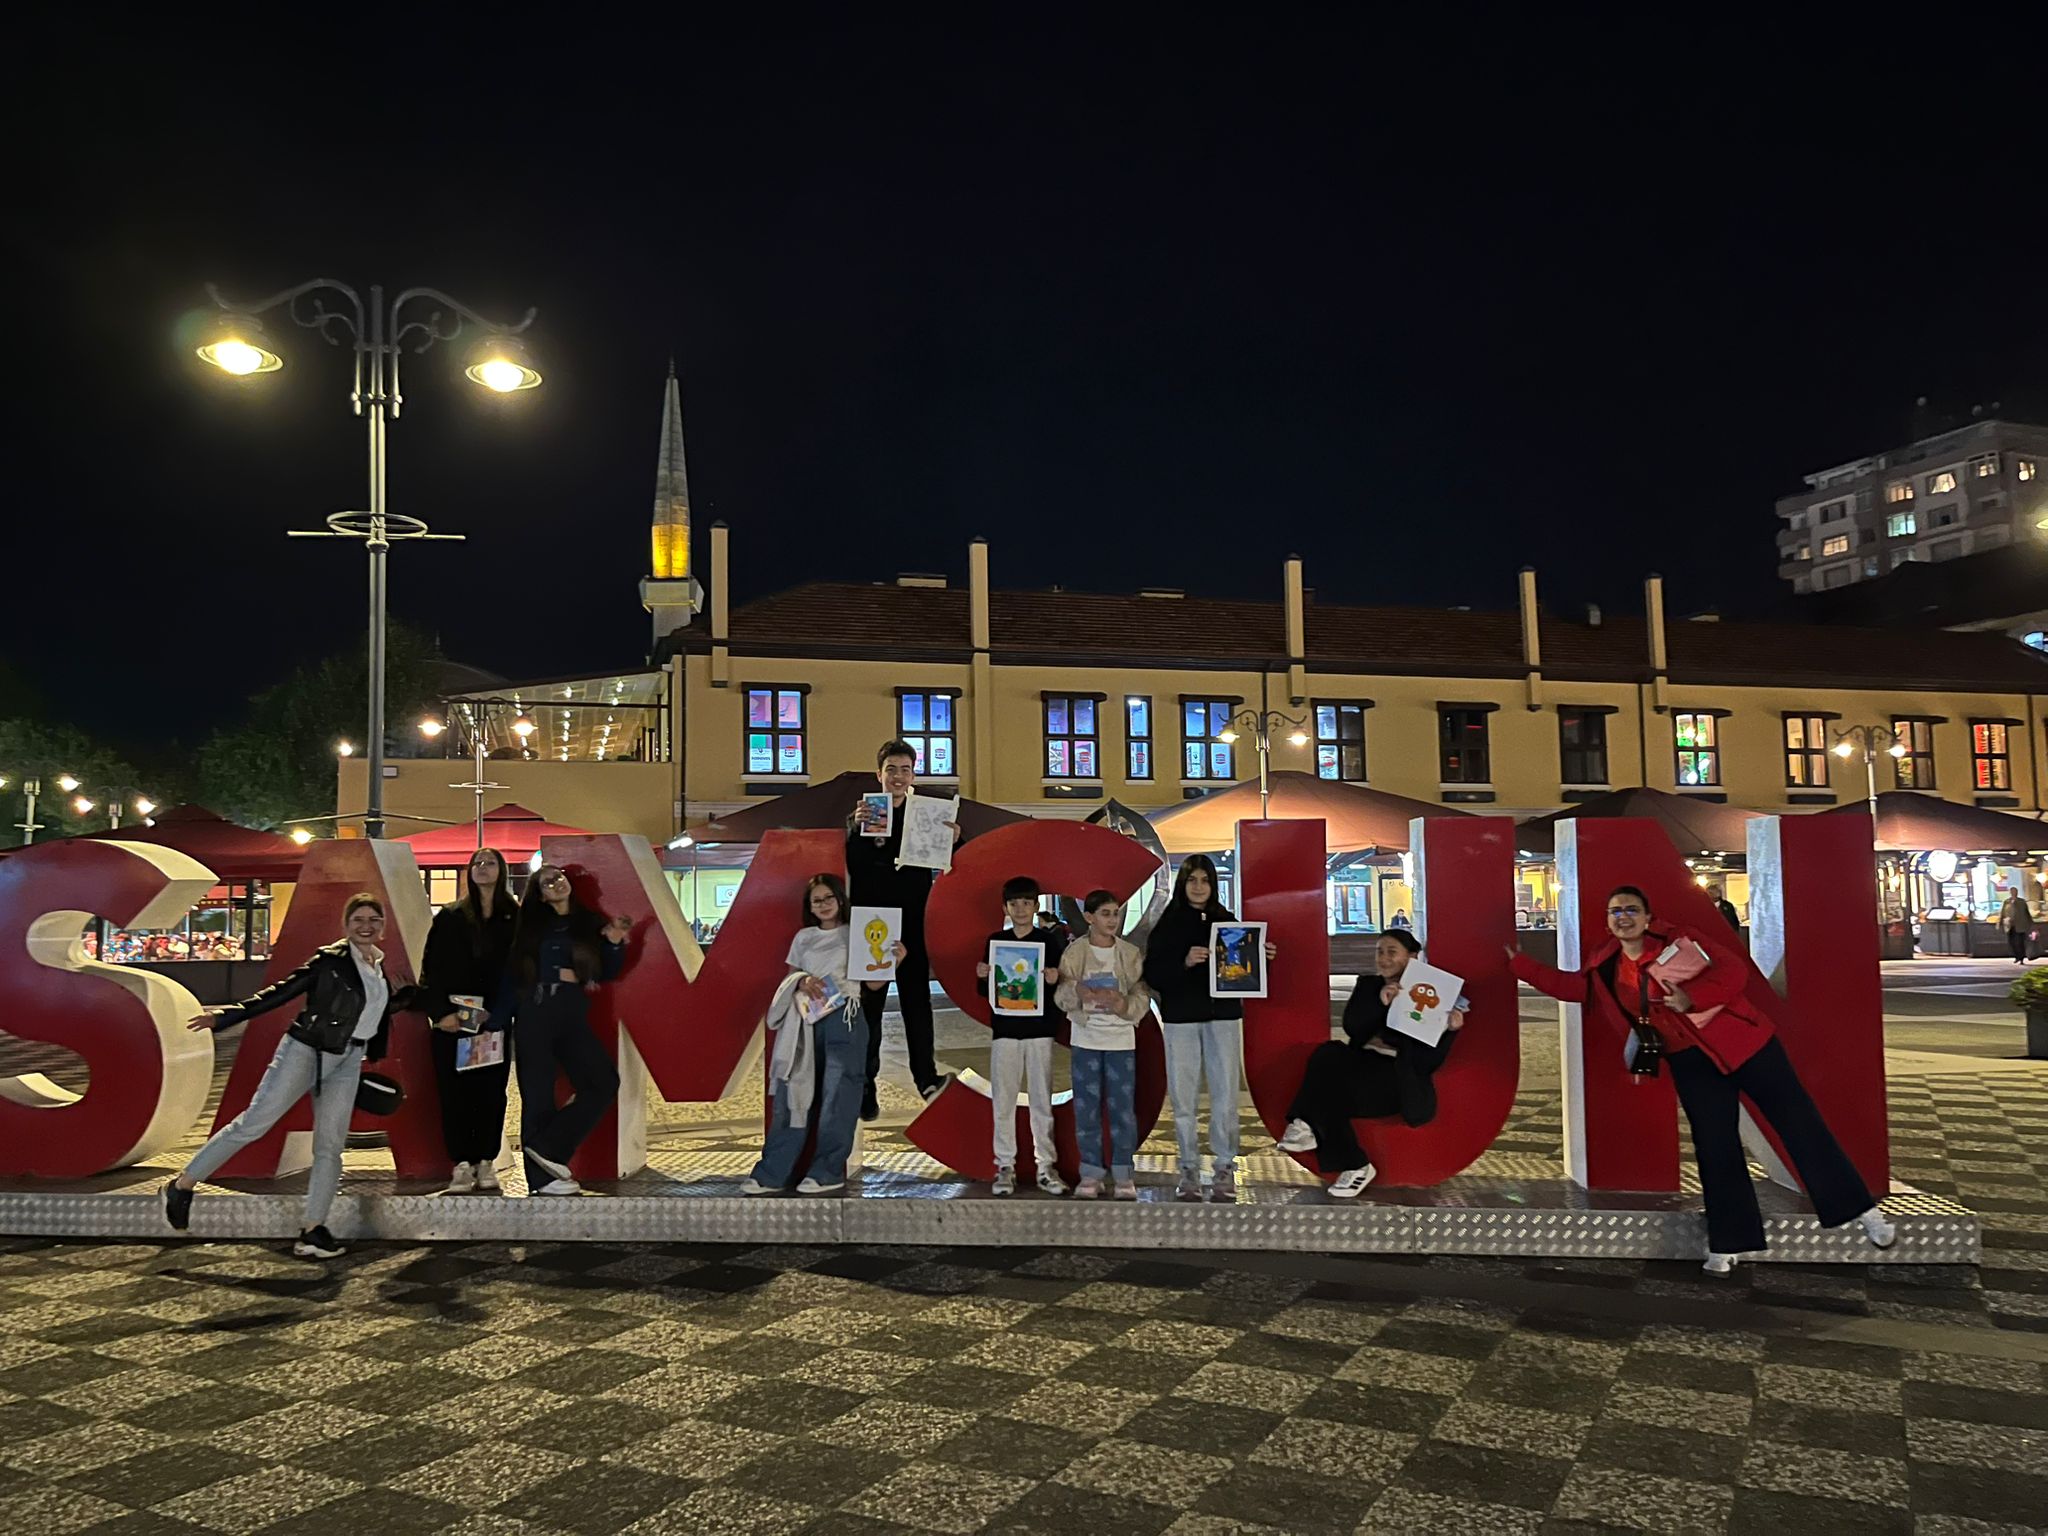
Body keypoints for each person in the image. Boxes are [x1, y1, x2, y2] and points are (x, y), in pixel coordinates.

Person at [1509, 884, 1896, 1275]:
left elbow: (1733, 972)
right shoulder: (1606, 964)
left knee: (1799, 1125)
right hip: (1691, 1062)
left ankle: (1862, 1211)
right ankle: (1729, 1242)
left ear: (1647, 916)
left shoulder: (1681, 939)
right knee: (1716, 1148)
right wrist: (1520, 965)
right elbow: (1574, 989)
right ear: (1608, 922)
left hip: (1748, 1045)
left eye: (1630, 909)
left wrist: (1691, 997)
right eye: (1615, 912)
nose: (1623, 917)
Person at [163, 893, 418, 1259]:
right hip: (306, 1052)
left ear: (383, 927)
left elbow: (364, 1012)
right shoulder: (331, 961)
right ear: (346, 926)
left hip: (348, 1059)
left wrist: (410, 1000)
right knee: (255, 1123)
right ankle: (183, 1185)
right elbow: (283, 991)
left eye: (373, 920)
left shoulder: (378, 966)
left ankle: (313, 1230)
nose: (366, 926)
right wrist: (228, 1016)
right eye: (358, 919)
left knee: (330, 1148)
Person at [1277, 929, 1464, 1198]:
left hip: (1395, 1080)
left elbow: (1427, 1063)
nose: (1384, 959)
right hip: (1359, 1067)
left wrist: (1450, 1032)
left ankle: (1307, 1124)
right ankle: (1352, 1162)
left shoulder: (1434, 998)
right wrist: (1380, 1002)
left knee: (1326, 1098)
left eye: (1392, 952)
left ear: (1412, 957)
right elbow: (1353, 1027)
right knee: (1328, 1054)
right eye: (1379, 951)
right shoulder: (1369, 986)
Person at [1143, 854, 1277, 1202]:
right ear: (1182, 884)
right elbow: (1153, 974)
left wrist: (1260, 956)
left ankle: (1224, 1167)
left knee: (1226, 1094)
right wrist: (1183, 962)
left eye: (1204, 880)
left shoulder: (1227, 921)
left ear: (1213, 884)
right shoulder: (1167, 924)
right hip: (1181, 1019)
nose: (1199, 887)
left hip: (1224, 1018)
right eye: (1192, 880)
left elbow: (1244, 972)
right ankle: (1188, 1167)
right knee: (1183, 1097)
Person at [502, 864, 633, 1196]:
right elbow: (513, 973)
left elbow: (606, 972)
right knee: (537, 1096)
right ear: (539, 895)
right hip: (535, 1013)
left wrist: (615, 942)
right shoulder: (529, 926)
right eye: (547, 882)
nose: (556, 883)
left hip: (572, 1016)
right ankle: (542, 1180)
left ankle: (548, 1149)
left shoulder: (588, 923)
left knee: (603, 1082)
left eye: (559, 877)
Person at [745, 874, 871, 1195]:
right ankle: (772, 1171)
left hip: (845, 1015)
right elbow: (791, 978)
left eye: (829, 897)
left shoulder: (856, 934)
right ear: (810, 907)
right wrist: (801, 981)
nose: (824, 905)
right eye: (817, 900)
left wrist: (892, 961)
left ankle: (828, 1171)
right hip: (804, 1021)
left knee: (837, 1096)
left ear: (840, 899)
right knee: (793, 1093)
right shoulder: (803, 938)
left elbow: (873, 984)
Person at [847, 740, 949, 1116]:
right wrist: (858, 831)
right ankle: (865, 1087)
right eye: (891, 769)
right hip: (872, 921)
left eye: (905, 769)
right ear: (880, 775)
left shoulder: (927, 815)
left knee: (917, 1004)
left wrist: (955, 839)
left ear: (913, 775)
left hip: (913, 919)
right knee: (869, 1009)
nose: (898, 776)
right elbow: (854, 866)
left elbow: (950, 860)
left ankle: (926, 1077)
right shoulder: (864, 814)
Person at [419, 847, 519, 1194]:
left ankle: (486, 1162)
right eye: (477, 862)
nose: (482, 867)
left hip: (492, 1023)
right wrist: (440, 1013)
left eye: (490, 862)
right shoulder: (449, 916)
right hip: (454, 1023)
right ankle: (461, 1165)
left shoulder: (514, 916)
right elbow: (430, 968)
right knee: (454, 1094)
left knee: (491, 1093)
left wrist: (499, 1015)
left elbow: (518, 971)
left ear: (501, 870)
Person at [1052, 890, 1151, 1199]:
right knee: (1087, 1110)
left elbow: (1142, 994)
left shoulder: (1130, 954)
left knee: (1122, 1110)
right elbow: (1061, 996)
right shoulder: (1075, 953)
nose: (1112, 920)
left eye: (1116, 914)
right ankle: (1091, 1174)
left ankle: (1123, 1174)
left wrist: (1123, 1004)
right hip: (1086, 1040)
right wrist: (1076, 992)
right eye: (1105, 914)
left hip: (1121, 1041)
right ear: (1089, 917)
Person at [974, 876, 1068, 1197]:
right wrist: (982, 976)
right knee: (1004, 1099)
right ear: (1005, 907)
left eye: (1026, 903)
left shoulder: (1048, 941)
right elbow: (987, 990)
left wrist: (1055, 978)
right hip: (1005, 1030)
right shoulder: (995, 941)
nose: (1020, 908)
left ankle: (1045, 1165)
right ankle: (1005, 1165)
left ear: (1036, 906)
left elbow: (1058, 984)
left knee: (1041, 1099)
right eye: (1014, 903)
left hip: (1040, 1031)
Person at [1999, 886, 2034, 963]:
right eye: (2012, 892)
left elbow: (2026, 913)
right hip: (2010, 926)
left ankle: (2021, 958)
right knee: (2011, 942)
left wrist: (2031, 923)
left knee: (2020, 942)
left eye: (2015, 891)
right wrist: (2000, 923)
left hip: (2020, 925)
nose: (2013, 893)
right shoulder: (2007, 902)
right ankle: (2016, 956)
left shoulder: (2022, 902)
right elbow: (2003, 913)